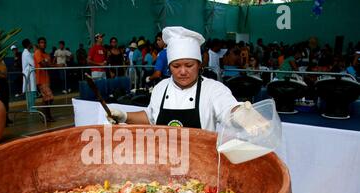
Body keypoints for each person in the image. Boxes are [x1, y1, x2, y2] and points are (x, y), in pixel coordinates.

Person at [106, 26, 266, 133]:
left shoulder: (213, 89)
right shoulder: (161, 87)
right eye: (176, 66)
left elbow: (228, 109)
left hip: (201, 167)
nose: (183, 72)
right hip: (163, 164)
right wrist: (125, 116)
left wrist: (243, 114)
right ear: (169, 67)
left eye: (189, 65)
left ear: (199, 65)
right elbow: (151, 116)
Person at [34, 37, 55, 122]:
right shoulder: (37, 52)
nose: (43, 44)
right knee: (50, 97)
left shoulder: (47, 55)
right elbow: (43, 64)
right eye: (41, 42)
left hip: (47, 79)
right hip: (41, 79)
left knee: (46, 99)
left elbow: (49, 64)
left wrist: (57, 65)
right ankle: (44, 113)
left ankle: (46, 116)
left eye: (44, 42)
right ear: (39, 44)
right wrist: (51, 65)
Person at [21, 38, 37, 111]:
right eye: (30, 43)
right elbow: (33, 63)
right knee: (31, 90)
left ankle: (31, 107)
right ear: (28, 44)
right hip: (29, 75)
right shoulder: (26, 53)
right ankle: (31, 108)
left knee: (30, 90)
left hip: (29, 74)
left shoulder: (27, 52)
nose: (31, 44)